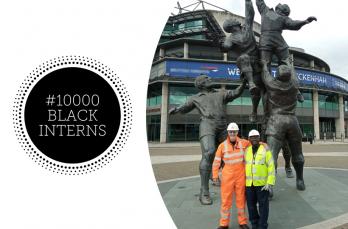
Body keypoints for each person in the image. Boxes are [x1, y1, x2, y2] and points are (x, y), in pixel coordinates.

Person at [169, 75, 247, 205]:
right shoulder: (195, 98)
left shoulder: (221, 94)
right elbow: (184, 107)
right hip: (207, 125)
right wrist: (176, 109)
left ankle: (219, 176)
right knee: (209, 152)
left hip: (222, 125)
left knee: (229, 154)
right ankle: (204, 192)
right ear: (201, 84)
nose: (210, 79)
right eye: (206, 78)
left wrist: (244, 82)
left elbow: (236, 93)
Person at [260, 61, 305, 191]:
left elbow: (265, 73)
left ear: (278, 74)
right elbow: (294, 74)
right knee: (297, 153)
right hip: (292, 121)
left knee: (272, 154)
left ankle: (270, 186)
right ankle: (300, 180)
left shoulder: (271, 84)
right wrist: (291, 63)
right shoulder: (295, 84)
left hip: (276, 121)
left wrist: (264, 64)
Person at [221, 0, 263, 123]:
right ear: (231, 25)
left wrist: (248, 1)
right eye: (233, 20)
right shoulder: (230, 38)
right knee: (243, 57)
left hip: (259, 61)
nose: (235, 19)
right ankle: (253, 106)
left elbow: (250, 13)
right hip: (246, 64)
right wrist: (222, 46)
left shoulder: (246, 28)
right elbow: (226, 47)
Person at [212, 123, 250, 229]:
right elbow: (216, 161)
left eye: (234, 131)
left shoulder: (244, 143)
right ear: (228, 133)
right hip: (227, 176)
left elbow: (255, 143)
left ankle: (242, 222)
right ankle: (224, 224)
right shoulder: (222, 146)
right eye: (231, 132)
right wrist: (215, 175)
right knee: (226, 200)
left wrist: (264, 144)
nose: (232, 133)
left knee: (241, 200)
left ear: (237, 132)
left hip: (240, 175)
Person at [245, 129, 275, 229]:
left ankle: (263, 225)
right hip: (249, 185)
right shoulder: (247, 151)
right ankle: (254, 224)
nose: (254, 139)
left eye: (256, 137)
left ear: (259, 138)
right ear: (249, 139)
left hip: (262, 185)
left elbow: (271, 166)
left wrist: (270, 183)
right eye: (252, 137)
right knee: (251, 206)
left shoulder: (265, 150)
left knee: (263, 207)